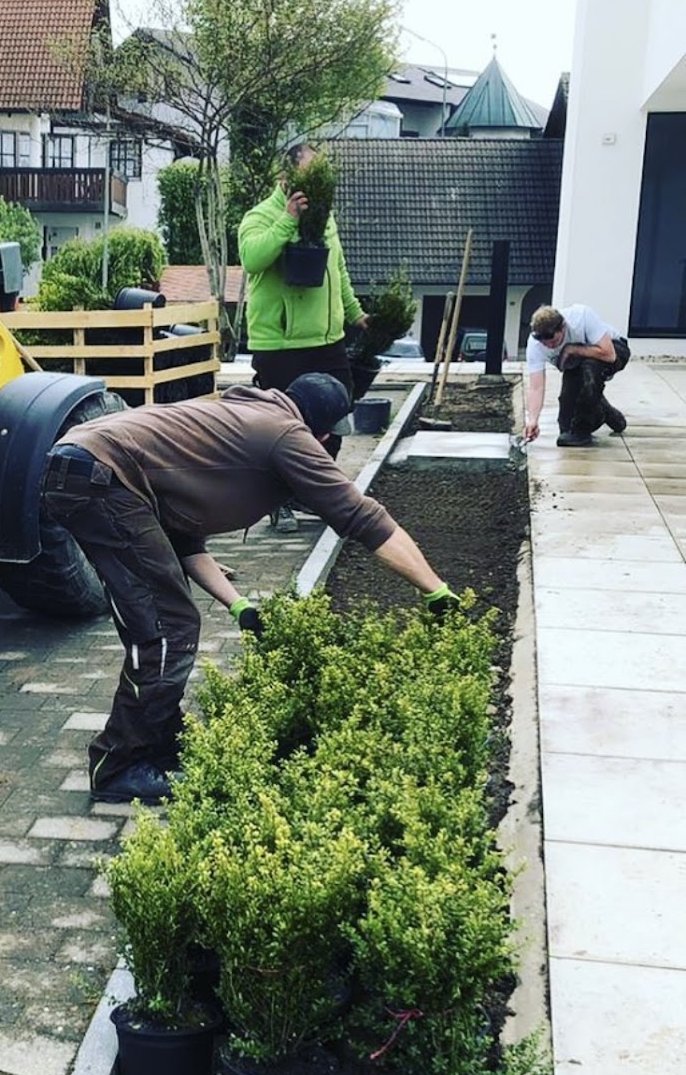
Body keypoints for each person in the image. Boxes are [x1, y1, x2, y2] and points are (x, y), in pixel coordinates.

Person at [40, 373, 460, 805]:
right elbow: (364, 519)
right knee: (168, 627)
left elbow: (184, 543)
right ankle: (118, 766)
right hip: (99, 476)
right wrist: (436, 590)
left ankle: (158, 743)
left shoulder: (238, 418)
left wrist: (239, 606)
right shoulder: (286, 435)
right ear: (324, 432)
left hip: (84, 468)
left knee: (165, 622)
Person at [238, 143, 368, 530]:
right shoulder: (260, 216)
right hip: (281, 344)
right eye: (308, 175)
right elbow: (252, 259)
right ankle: (276, 500)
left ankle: (310, 493)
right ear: (286, 177)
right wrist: (288, 220)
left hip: (327, 340)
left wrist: (355, 312)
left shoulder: (325, 218)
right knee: (282, 426)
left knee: (336, 412)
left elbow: (337, 269)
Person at [523, 303, 631, 447]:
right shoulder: (535, 346)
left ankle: (582, 431)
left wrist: (572, 349)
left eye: (554, 341)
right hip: (577, 363)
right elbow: (536, 388)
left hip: (614, 348)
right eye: (545, 343)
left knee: (589, 369)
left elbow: (610, 355)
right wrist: (532, 421)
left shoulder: (581, 317)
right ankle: (605, 412)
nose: (549, 346)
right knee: (566, 430)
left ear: (563, 327)